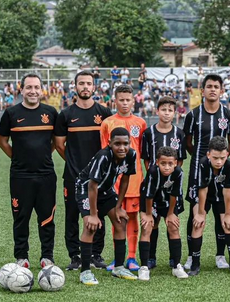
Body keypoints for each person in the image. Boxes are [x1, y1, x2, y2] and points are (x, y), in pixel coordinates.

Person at [54, 71, 113, 270]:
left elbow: (109, 144)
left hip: (99, 177)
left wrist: (97, 169)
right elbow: (60, 145)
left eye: (89, 83)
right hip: (73, 176)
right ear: (75, 87)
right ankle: (75, 257)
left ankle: (96, 254)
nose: (85, 87)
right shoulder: (66, 115)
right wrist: (74, 164)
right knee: (71, 216)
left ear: (94, 87)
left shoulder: (104, 114)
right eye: (82, 83)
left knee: (98, 215)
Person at [0, 73, 58, 269]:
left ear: (42, 90)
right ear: (21, 89)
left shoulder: (51, 112)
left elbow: (55, 142)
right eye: (29, 87)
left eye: (36, 87)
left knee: (47, 218)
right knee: (21, 218)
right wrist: (16, 158)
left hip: (45, 175)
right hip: (20, 176)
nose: (33, 91)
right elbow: (2, 141)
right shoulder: (11, 113)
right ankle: (21, 257)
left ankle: (47, 257)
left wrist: (44, 155)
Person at [183, 74, 230, 271]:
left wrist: (222, 159)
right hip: (198, 170)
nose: (213, 89)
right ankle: (191, 256)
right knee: (196, 213)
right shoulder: (193, 115)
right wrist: (200, 157)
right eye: (209, 86)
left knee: (220, 212)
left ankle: (220, 255)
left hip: (221, 171)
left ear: (221, 90)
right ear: (203, 90)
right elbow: (187, 141)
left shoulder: (229, 115)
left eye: (216, 86)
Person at [77, 127, 137, 285]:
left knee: (120, 221)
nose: (122, 147)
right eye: (117, 143)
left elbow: (125, 180)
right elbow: (92, 185)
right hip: (86, 189)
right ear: (110, 143)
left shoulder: (131, 155)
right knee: (90, 226)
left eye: (125, 143)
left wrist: (118, 207)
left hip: (106, 190)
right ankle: (85, 272)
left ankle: (118, 267)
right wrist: (94, 214)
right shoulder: (103, 156)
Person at [100, 84, 147, 271]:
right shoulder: (107, 123)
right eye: (121, 100)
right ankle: (117, 257)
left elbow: (143, 152)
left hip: (134, 179)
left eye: (128, 100)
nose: (125, 103)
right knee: (116, 217)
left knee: (133, 216)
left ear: (133, 101)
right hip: (115, 180)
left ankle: (132, 257)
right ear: (115, 101)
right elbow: (105, 152)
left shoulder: (141, 123)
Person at [141, 97, 186, 269]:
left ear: (174, 113)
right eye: (163, 110)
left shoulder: (179, 134)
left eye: (170, 110)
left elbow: (180, 161)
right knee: (153, 221)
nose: (166, 113)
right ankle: (150, 257)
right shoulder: (148, 133)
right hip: (153, 183)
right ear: (157, 111)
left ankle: (174, 259)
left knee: (171, 220)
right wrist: (155, 176)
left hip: (171, 185)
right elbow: (146, 159)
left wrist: (170, 178)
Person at [188, 136, 230, 276]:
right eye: (215, 158)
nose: (219, 161)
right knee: (198, 224)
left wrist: (228, 215)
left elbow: (227, 191)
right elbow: (202, 189)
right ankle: (195, 264)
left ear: (227, 155)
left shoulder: (229, 165)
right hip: (203, 196)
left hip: (221, 197)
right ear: (208, 154)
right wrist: (200, 213)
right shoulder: (203, 164)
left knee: (229, 225)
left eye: (222, 158)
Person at [137, 147, 188, 280]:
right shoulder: (153, 172)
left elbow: (174, 194)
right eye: (163, 163)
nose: (166, 167)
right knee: (148, 226)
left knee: (173, 226)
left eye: (170, 164)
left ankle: (176, 265)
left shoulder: (178, 173)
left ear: (175, 163)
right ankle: (145, 266)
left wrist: (171, 213)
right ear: (157, 162)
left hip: (169, 202)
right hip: (151, 202)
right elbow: (148, 195)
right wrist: (148, 214)